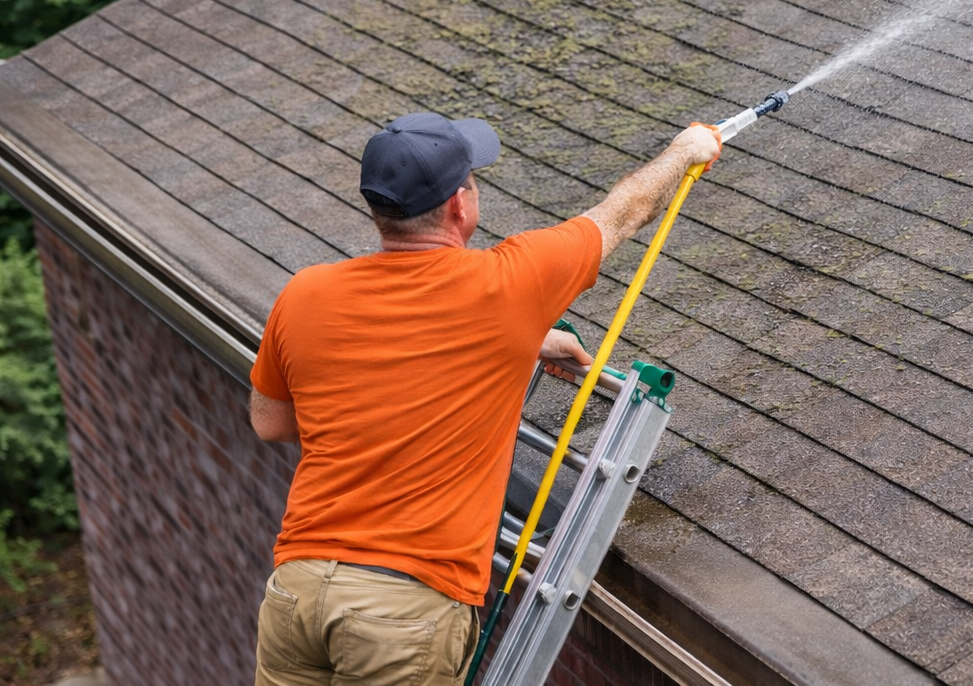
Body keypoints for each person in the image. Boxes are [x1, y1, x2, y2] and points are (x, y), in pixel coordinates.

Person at [248, 111, 721, 686]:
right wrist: (686, 149)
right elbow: (623, 213)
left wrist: (515, 343)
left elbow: (270, 422)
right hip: (403, 613)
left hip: (297, 591)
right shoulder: (509, 284)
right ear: (458, 206)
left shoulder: (305, 294)